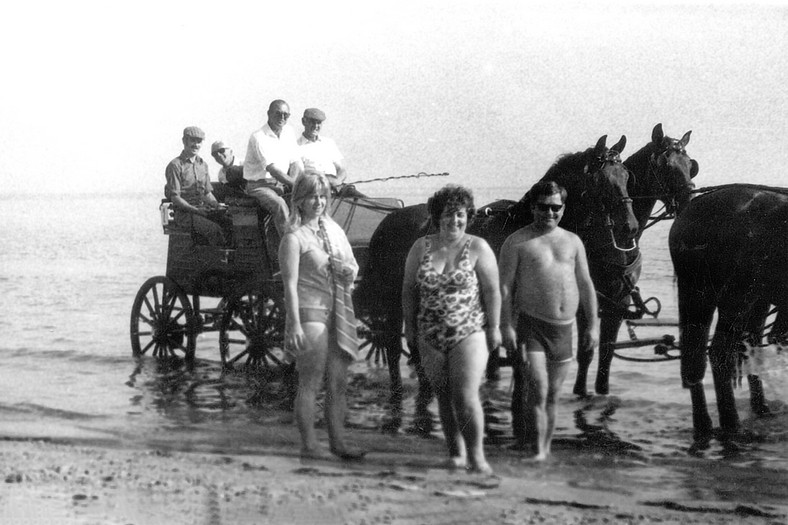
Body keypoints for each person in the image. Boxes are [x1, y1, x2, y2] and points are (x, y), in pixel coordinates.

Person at [402, 184, 501, 474]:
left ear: (467, 216)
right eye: (447, 215)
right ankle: (456, 454)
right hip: (429, 332)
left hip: (468, 330)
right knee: (443, 395)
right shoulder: (421, 247)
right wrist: (409, 327)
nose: (453, 221)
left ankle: (477, 457)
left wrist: (494, 327)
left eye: (459, 215)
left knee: (466, 395)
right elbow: (408, 289)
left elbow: (493, 290)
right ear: (436, 217)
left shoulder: (478, 247)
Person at [498, 180, 599, 461]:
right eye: (543, 207)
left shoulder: (573, 241)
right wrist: (505, 325)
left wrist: (593, 326)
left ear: (563, 209)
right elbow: (504, 287)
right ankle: (536, 451)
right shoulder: (517, 242)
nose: (550, 213)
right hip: (532, 327)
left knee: (553, 395)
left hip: (564, 331)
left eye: (556, 207)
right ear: (532, 207)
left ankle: (542, 447)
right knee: (538, 390)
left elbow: (586, 283)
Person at [279, 172, 365, 461]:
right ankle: (310, 446)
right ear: (299, 201)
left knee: (339, 381)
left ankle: (338, 443)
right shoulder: (294, 238)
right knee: (311, 381)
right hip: (310, 311)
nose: (318, 201)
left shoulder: (333, 231)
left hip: (337, 309)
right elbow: (289, 285)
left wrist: (346, 272)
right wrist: (292, 325)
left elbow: (350, 267)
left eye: (322, 195)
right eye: (311, 196)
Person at [244, 99, 304, 236]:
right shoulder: (258, 137)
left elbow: (295, 161)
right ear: (269, 114)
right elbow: (273, 169)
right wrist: (295, 184)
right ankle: (289, 248)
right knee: (280, 205)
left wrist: (294, 184)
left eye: (286, 115)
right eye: (278, 114)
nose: (282, 118)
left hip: (281, 184)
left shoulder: (289, 132)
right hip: (259, 186)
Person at [164, 126, 230, 246]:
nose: (196, 145)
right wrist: (196, 210)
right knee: (214, 230)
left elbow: (207, 193)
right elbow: (175, 197)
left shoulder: (203, 165)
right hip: (184, 214)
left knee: (230, 223)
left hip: (202, 210)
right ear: (184, 141)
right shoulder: (175, 166)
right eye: (192, 140)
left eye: (199, 141)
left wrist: (216, 206)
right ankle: (217, 263)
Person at [297, 108, 347, 189]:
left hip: (336, 186)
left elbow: (341, 169)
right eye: (312, 122)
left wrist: (338, 181)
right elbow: (300, 176)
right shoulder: (296, 146)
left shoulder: (329, 143)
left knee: (366, 200)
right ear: (303, 121)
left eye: (319, 123)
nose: (315, 126)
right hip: (314, 189)